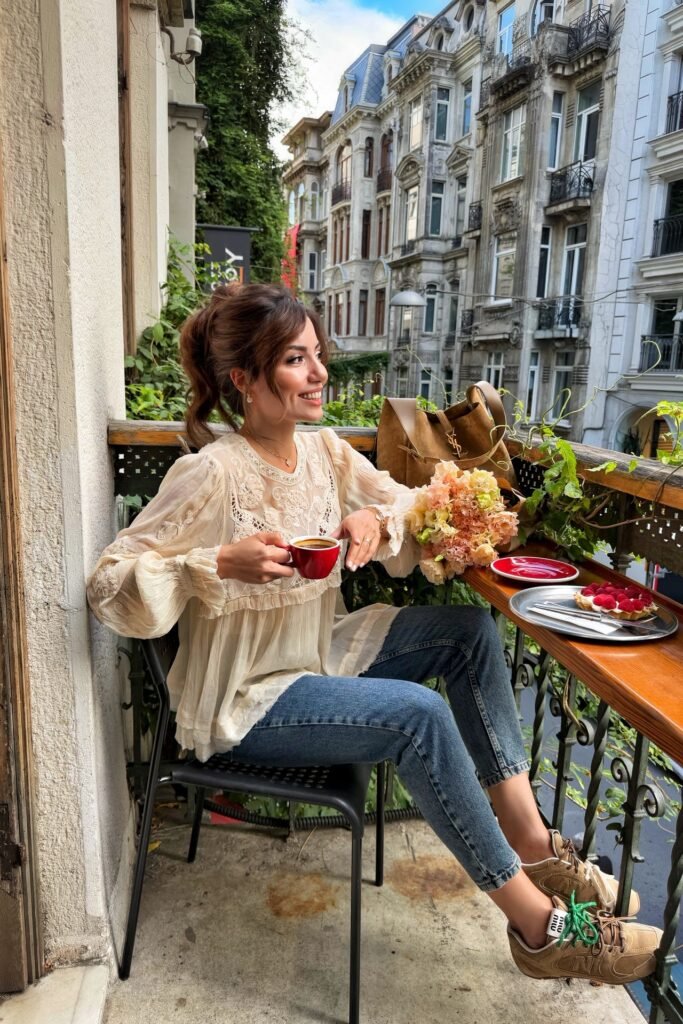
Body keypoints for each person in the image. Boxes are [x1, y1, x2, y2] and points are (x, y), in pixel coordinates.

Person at [87, 283, 661, 986]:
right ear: (244, 379)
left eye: (317, 354)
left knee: (468, 631)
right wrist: (213, 563)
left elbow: (412, 501)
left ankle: (533, 844)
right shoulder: (210, 473)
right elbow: (109, 584)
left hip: (315, 655)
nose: (321, 373)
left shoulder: (326, 454)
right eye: (298, 359)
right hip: (245, 701)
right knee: (416, 716)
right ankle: (540, 928)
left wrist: (374, 522)